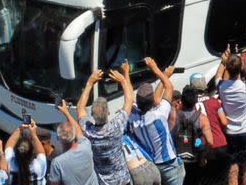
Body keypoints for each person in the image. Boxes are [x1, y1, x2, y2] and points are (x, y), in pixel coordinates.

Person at [127, 57, 185, 185]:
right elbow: (169, 87)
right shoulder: (159, 115)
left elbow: (129, 96)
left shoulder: (133, 116)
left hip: (153, 164)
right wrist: (156, 69)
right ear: (152, 101)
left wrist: (126, 74)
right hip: (170, 166)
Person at [76, 65, 133, 185]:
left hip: (103, 182)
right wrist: (123, 80)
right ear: (108, 112)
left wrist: (90, 83)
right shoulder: (116, 126)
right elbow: (129, 101)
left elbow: (80, 107)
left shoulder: (88, 130)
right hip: (122, 180)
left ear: (91, 114)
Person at [216, 50, 246, 185]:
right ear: (241, 68)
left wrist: (222, 62)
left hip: (230, 134)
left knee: (233, 168)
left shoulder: (221, 86)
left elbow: (218, 75)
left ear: (228, 69)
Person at [49, 100, 99, 185]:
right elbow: (78, 131)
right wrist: (66, 112)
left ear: (58, 139)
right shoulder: (86, 146)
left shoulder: (57, 163)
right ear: (73, 135)